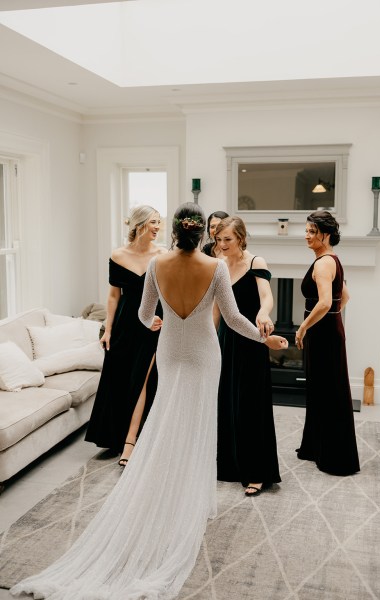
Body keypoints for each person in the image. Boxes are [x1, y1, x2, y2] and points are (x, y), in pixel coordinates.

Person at [10, 203, 288, 600]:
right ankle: (189, 504)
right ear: (201, 235)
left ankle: (168, 497)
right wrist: (266, 338)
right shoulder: (217, 267)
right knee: (199, 425)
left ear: (175, 231)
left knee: (167, 421)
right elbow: (233, 319)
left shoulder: (158, 265)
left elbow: (142, 315)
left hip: (171, 352)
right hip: (205, 355)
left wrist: (158, 323)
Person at [85, 205, 166, 467]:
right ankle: (115, 436)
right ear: (140, 224)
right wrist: (107, 329)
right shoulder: (118, 256)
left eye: (159, 222)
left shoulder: (162, 254)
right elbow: (113, 296)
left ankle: (137, 437)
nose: (157, 227)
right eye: (154, 222)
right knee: (119, 376)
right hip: (124, 324)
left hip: (153, 322)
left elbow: (168, 293)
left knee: (143, 378)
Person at [213, 216, 281, 496]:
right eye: (218, 240)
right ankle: (229, 466)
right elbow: (217, 309)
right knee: (226, 401)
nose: (222, 244)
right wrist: (210, 340)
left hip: (251, 341)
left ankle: (257, 472)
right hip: (226, 341)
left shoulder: (256, 263)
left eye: (227, 239)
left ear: (241, 237)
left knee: (251, 405)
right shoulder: (218, 264)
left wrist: (264, 313)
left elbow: (266, 296)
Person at [295, 210, 360, 476]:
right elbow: (344, 296)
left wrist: (302, 327)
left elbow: (324, 302)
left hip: (322, 333)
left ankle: (334, 457)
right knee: (325, 388)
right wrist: (334, 317)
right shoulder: (332, 259)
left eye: (313, 232)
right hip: (329, 330)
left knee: (326, 389)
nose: (307, 236)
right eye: (307, 231)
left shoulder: (323, 264)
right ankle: (316, 447)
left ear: (327, 234)